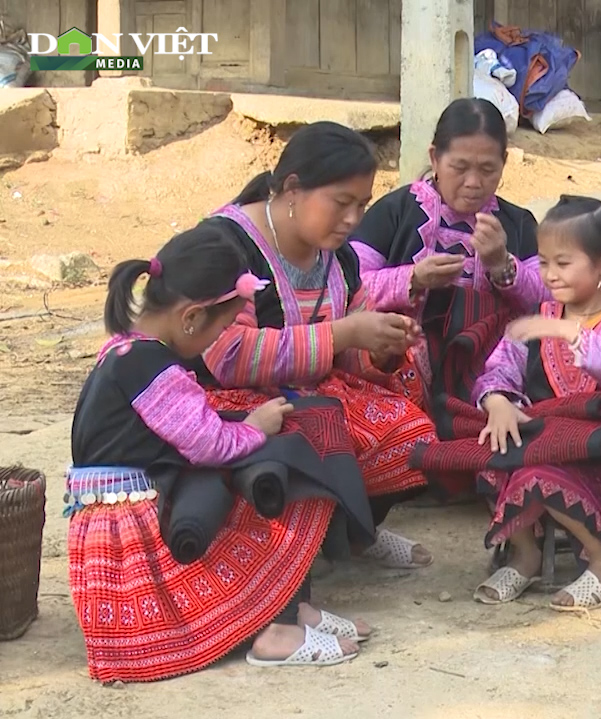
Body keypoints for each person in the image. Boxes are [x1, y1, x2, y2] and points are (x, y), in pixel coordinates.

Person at [67, 227, 373, 682]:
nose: (219, 339)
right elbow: (209, 443)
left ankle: (293, 609)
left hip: (114, 514)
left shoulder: (124, 351)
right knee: (277, 476)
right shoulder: (154, 368)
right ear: (191, 318)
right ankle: (276, 630)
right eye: (221, 327)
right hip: (131, 527)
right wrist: (252, 428)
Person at [196, 121, 435, 569]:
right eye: (341, 203)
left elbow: (353, 356)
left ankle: (352, 531)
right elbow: (226, 355)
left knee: (413, 434)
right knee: (313, 438)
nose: (353, 220)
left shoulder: (338, 256)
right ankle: (283, 559)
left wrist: (381, 344)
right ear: (292, 189)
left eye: (361, 205)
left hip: (308, 392)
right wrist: (344, 333)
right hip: (228, 400)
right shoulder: (226, 246)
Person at [417, 195, 601, 609]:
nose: (550, 275)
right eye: (544, 262)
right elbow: (499, 368)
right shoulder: (540, 314)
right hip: (543, 433)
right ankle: (524, 554)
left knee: (539, 465)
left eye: (563, 264)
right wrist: (497, 401)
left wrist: (568, 333)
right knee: (494, 445)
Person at [349, 98, 546, 414]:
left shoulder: (518, 223)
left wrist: (502, 266)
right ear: (435, 158)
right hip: (401, 367)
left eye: (487, 169)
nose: (473, 182)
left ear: (503, 163)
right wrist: (413, 279)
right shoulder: (394, 211)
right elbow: (348, 287)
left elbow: (551, 302)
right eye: (459, 167)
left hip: (492, 371)